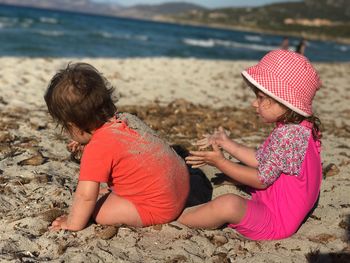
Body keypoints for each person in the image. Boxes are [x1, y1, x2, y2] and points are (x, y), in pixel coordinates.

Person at [178, 50, 322, 240]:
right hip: (280, 206)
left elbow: (261, 180)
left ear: (284, 102)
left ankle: (178, 219)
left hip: (276, 220)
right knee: (231, 179)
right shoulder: (298, 128)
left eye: (261, 98)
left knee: (228, 205)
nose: (255, 103)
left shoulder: (288, 135)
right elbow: (259, 159)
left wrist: (220, 162)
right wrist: (226, 143)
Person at [45, 63, 190, 231]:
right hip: (180, 185)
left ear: (74, 125)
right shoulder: (126, 119)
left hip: (160, 207)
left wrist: (71, 222)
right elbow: (122, 149)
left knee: (99, 211)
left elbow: (85, 197)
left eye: (66, 128)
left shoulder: (98, 147)